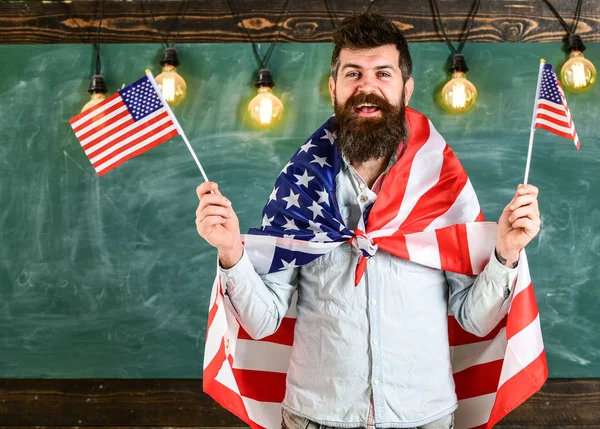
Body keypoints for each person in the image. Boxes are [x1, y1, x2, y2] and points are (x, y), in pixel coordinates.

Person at [196, 10, 541, 429]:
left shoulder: (441, 183)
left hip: (423, 417)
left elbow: (473, 318)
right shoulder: (300, 188)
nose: (367, 87)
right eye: (353, 74)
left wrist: (505, 254)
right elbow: (264, 319)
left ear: (406, 88)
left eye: (382, 73)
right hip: (315, 418)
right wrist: (232, 252)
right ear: (333, 88)